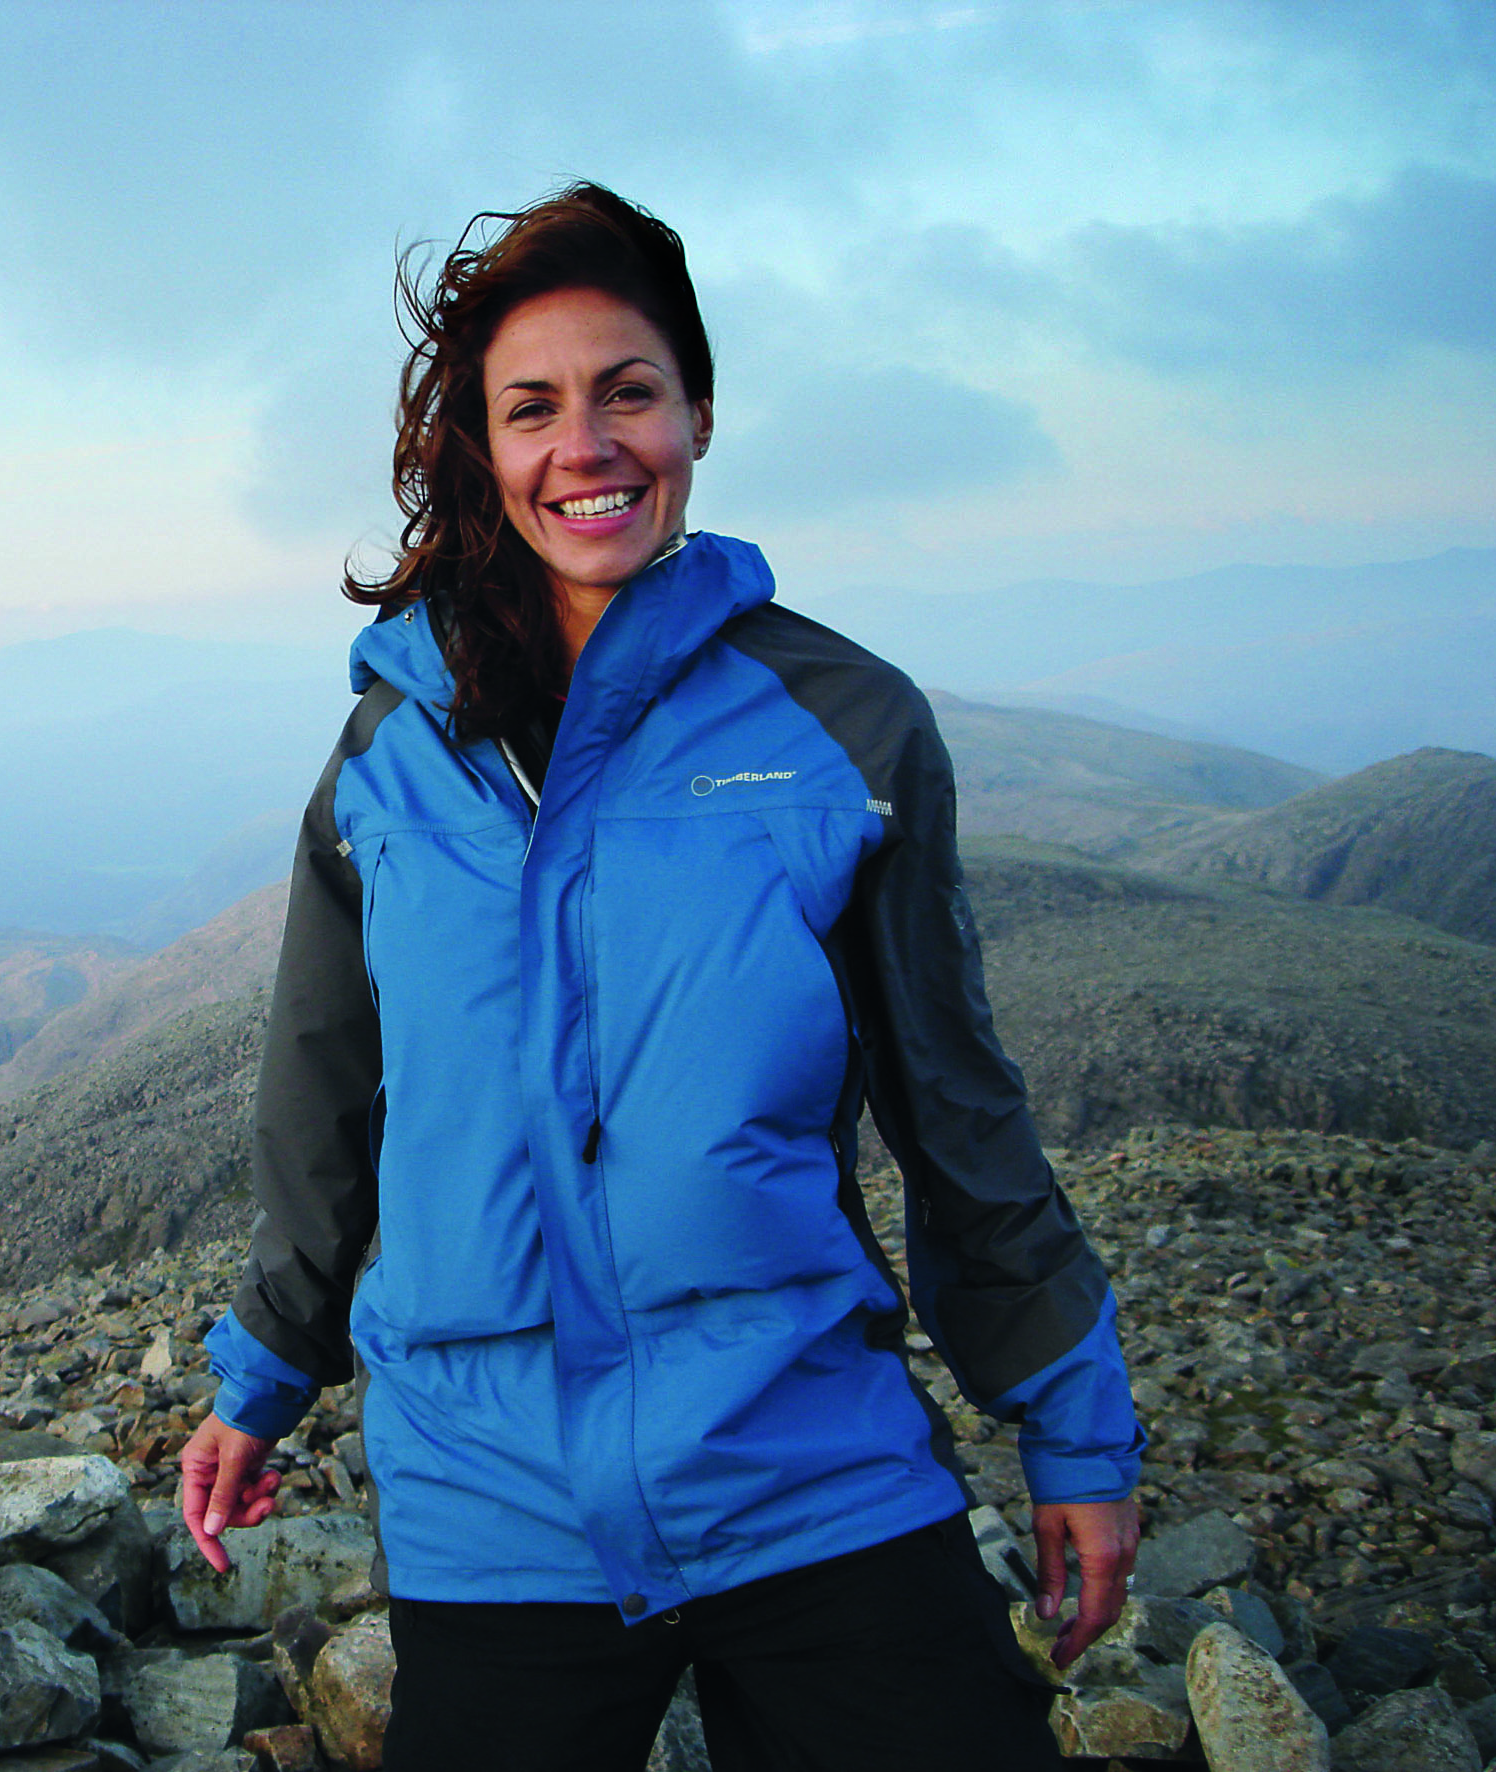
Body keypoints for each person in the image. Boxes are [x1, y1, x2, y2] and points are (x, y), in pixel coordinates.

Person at [180, 183, 1145, 1770]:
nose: (588, 445)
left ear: (696, 411)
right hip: (490, 1500)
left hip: (804, 1463)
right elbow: (328, 1093)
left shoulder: (845, 726)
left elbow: (954, 1103)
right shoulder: (386, 758)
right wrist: (261, 1374)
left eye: (628, 392)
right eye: (533, 408)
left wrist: (1074, 1428)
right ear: (484, 451)